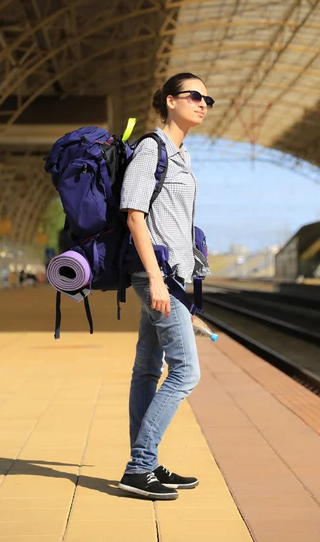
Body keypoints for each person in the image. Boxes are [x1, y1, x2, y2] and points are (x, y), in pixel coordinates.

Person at [118, 73, 213, 500]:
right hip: (157, 279)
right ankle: (139, 467)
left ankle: (147, 464)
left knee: (147, 371)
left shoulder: (182, 155)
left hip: (169, 278)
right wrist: (156, 279)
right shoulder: (151, 150)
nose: (203, 102)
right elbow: (134, 214)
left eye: (206, 98)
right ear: (170, 101)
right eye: (194, 96)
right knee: (186, 373)